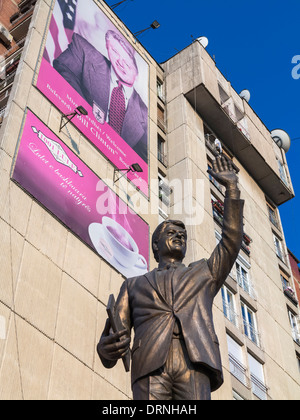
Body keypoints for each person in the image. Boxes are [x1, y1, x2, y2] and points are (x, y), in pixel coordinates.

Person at [97, 155, 244, 400]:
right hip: (149, 364)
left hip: (195, 361)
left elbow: (231, 241)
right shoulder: (132, 286)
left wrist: (231, 190)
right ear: (155, 246)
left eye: (183, 235)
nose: (179, 237)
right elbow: (114, 336)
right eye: (171, 232)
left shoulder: (204, 273)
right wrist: (106, 349)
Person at [53, 30, 148, 162]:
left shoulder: (146, 116)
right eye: (115, 51)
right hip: (67, 138)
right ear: (107, 48)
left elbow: (144, 162)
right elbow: (63, 68)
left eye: (127, 62)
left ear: (137, 74)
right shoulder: (84, 51)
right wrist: (90, 121)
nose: (120, 62)